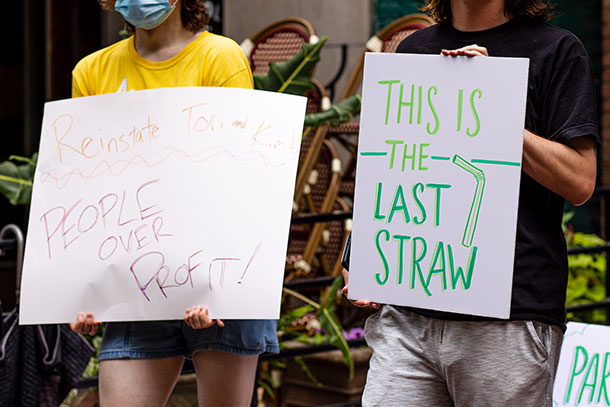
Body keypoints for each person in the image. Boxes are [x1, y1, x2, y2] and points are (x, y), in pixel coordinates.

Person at [342, 0, 599, 405]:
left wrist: (494, 102)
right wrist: (360, 256)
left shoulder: (557, 50)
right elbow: (391, 165)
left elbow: (581, 180)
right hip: (409, 315)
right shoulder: (413, 51)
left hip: (508, 318)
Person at [69, 1, 278, 406]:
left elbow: (241, 178)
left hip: (218, 283)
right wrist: (85, 292)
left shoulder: (220, 57)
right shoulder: (91, 71)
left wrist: (218, 287)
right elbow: (86, 191)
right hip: (136, 285)